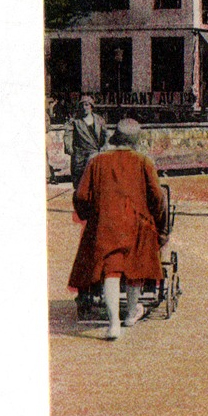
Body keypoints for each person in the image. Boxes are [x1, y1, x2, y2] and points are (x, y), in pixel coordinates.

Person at [67, 118, 170, 340]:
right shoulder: (144, 161)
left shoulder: (97, 161)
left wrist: (88, 215)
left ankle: (114, 324)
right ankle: (132, 313)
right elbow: (158, 198)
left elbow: (82, 195)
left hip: (106, 224)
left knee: (110, 270)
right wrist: (161, 227)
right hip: (138, 224)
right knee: (134, 267)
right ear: (136, 141)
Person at [63, 95, 107, 188]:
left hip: (95, 154)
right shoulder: (75, 121)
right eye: (82, 105)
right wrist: (69, 146)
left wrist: (104, 147)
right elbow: (68, 134)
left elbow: (105, 135)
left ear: (91, 106)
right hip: (80, 156)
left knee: (95, 183)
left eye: (87, 105)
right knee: (80, 185)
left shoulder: (99, 120)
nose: (84, 108)